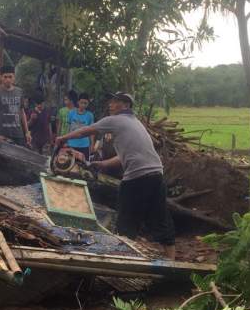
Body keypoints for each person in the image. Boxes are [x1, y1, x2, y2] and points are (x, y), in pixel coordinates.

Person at [56, 91, 176, 260]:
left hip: (137, 177)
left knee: (126, 221)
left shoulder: (115, 120)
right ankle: (171, 261)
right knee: (160, 217)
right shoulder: (136, 123)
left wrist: (62, 138)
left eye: (115, 102)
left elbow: (86, 131)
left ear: (125, 106)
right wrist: (103, 164)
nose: (110, 104)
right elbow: (124, 156)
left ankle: (122, 259)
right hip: (156, 174)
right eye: (111, 101)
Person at [0, 66, 31, 147]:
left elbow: (22, 113)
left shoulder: (19, 92)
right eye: (5, 77)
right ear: (1, 77)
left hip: (18, 134)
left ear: (14, 77)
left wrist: (27, 132)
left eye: (10, 77)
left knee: (18, 157)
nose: (8, 79)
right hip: (2, 134)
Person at [66, 93, 94, 160]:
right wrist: (66, 140)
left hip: (84, 145)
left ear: (88, 104)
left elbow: (91, 132)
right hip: (72, 144)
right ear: (78, 102)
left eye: (85, 103)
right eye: (81, 103)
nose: (83, 105)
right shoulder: (71, 113)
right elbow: (68, 128)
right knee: (70, 164)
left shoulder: (90, 115)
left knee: (84, 165)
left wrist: (92, 144)